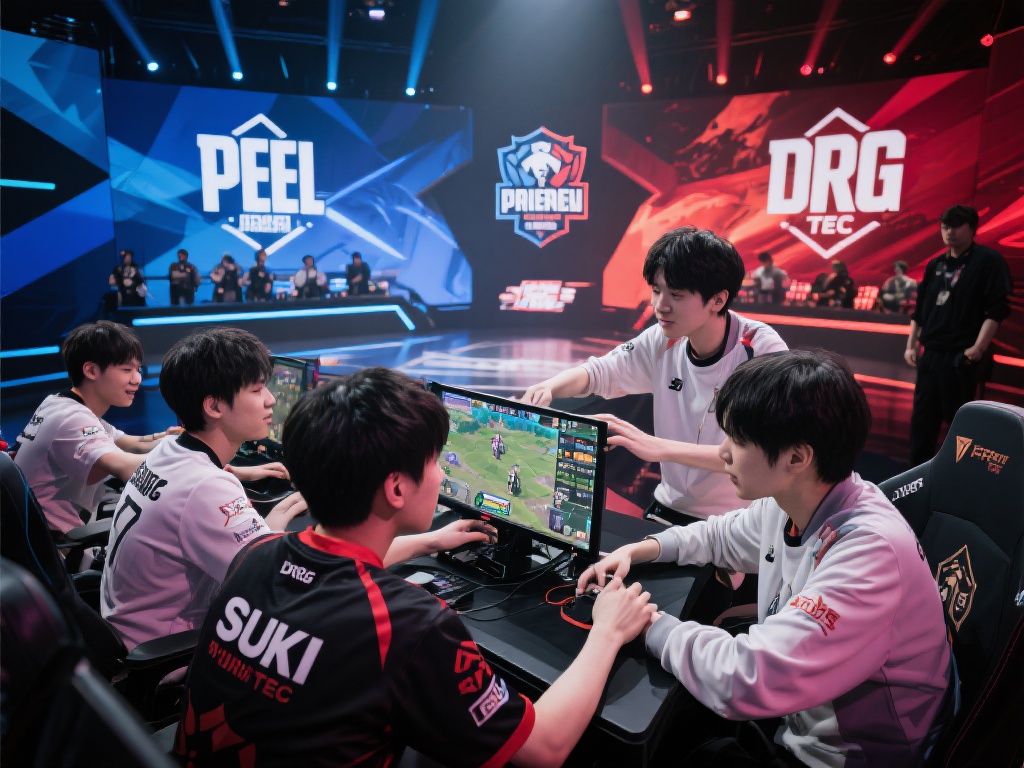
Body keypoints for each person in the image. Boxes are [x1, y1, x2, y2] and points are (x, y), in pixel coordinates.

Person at [175, 367, 656, 767]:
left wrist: (428, 541)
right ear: (396, 489)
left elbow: (329, 573)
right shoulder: (411, 625)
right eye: (434, 461)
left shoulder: (254, 554)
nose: (443, 474)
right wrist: (608, 631)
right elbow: (544, 748)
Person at [580, 350, 952, 767]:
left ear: (797, 457)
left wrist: (645, 623)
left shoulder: (870, 556)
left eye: (737, 440)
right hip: (793, 720)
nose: (723, 453)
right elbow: (719, 536)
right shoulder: (800, 497)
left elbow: (746, 679)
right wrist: (641, 548)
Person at [523, 226, 788, 524]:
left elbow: (758, 456)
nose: (660, 306)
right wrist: (549, 387)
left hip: (737, 521)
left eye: (676, 294)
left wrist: (657, 447)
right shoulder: (661, 339)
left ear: (717, 300)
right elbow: (600, 372)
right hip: (667, 506)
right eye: (656, 290)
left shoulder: (760, 350)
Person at [12, 322, 178, 535]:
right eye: (126, 370)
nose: (137, 379)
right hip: (60, 542)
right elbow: (125, 467)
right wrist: (185, 453)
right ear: (91, 370)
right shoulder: (71, 418)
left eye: (137, 369)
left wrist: (172, 437)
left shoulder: (60, 403)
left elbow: (133, 444)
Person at [905, 205, 1012, 465]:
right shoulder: (936, 264)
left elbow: (997, 309)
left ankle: (957, 474)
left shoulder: (987, 261)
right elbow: (919, 311)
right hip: (931, 354)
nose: (949, 232)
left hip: (961, 356)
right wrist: (910, 345)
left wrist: (978, 348)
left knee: (959, 422)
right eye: (945, 226)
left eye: (955, 226)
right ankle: (916, 474)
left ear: (972, 228)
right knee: (923, 420)